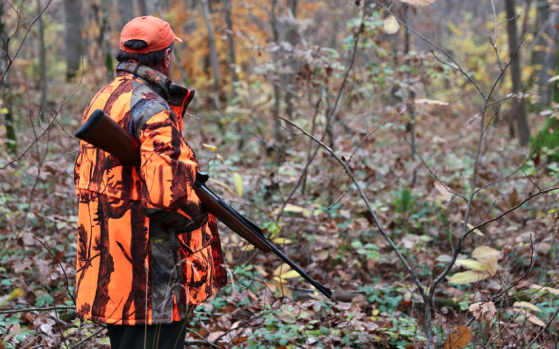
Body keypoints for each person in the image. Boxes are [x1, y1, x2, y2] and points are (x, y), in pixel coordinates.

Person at [73, 16, 227, 349]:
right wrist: (201, 213)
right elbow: (168, 201)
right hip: (150, 278)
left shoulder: (103, 98)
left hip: (109, 268)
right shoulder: (154, 109)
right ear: (167, 56)